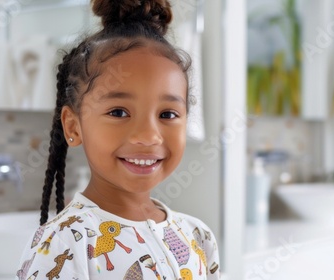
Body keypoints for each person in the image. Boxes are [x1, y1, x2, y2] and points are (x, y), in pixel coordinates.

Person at [15, 0, 220, 279]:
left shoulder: (197, 235)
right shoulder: (64, 243)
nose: (148, 136)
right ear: (73, 126)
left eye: (168, 114)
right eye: (119, 112)